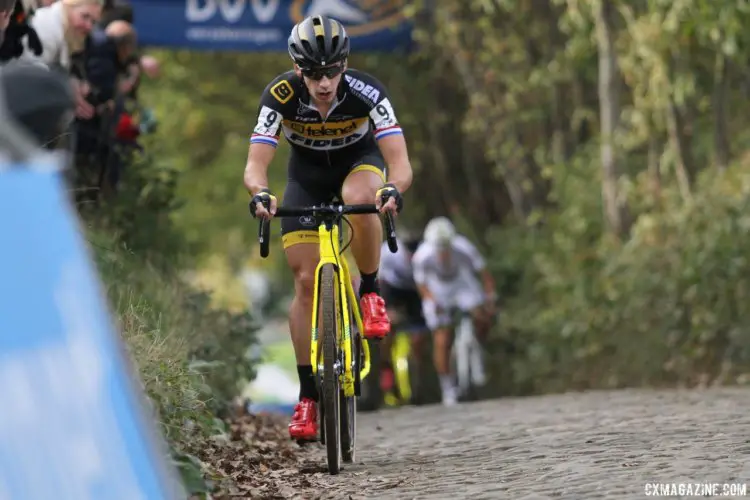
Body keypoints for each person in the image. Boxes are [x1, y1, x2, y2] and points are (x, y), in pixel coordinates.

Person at [245, 15, 413, 441]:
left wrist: (393, 187)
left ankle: (370, 289)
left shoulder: (367, 91)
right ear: (298, 69)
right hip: (306, 178)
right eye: (314, 73)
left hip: (359, 163)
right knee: (304, 282)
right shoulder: (280, 96)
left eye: (332, 71)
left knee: (364, 198)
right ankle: (308, 397)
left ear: (345, 64)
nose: (324, 83)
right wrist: (262, 193)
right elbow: (256, 163)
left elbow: (399, 161)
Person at [412, 216, 497, 406]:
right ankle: (447, 387)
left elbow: (484, 275)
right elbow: (422, 285)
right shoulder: (422, 255)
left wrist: (490, 300)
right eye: (439, 249)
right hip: (437, 290)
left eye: (446, 247)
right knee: (441, 339)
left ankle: (478, 347)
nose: (443, 252)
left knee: (481, 316)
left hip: (462, 285)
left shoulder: (464, 248)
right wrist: (434, 303)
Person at [21, 0, 102, 119]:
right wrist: (66, 91)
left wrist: (71, 83)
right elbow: (32, 78)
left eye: (93, 22)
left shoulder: (61, 30)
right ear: (68, 8)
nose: (89, 26)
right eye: (85, 16)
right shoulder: (47, 28)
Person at [377, 231, 429, 403]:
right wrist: (387, 309)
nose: (411, 257)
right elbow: (380, 281)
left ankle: (419, 383)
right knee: (387, 331)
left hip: (415, 291)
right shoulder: (388, 252)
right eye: (409, 253)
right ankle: (387, 369)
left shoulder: (426, 255)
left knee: (418, 338)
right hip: (392, 288)